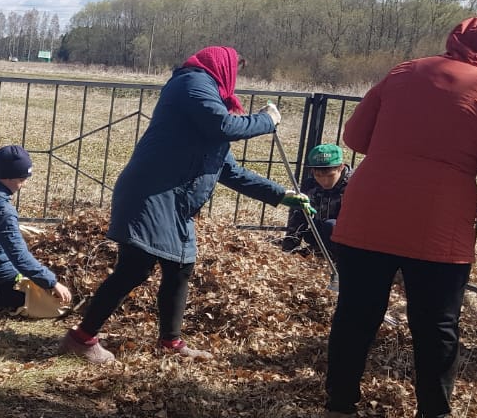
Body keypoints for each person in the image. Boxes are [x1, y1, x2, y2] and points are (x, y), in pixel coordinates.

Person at [321, 17, 477, 418]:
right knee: (436, 324)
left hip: (368, 213)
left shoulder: (404, 71)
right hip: (438, 226)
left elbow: (356, 136)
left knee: (355, 314)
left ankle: (338, 408)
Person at [57, 46, 311, 364]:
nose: (235, 78)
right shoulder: (192, 84)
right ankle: (82, 338)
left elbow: (229, 171)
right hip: (150, 194)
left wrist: (279, 194)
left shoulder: (206, 105)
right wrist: (266, 120)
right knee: (134, 268)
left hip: (175, 203)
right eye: (236, 71)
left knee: (180, 268)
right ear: (222, 67)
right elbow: (224, 126)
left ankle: (171, 343)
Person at [0, 145, 73, 314]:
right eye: (22, 179)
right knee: (43, 301)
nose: (23, 184)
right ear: (8, 178)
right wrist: (52, 283)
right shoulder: (3, 212)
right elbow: (20, 259)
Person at [282, 143, 352, 260]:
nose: (325, 181)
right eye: (318, 175)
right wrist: (288, 249)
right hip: (320, 232)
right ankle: (319, 251)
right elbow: (299, 215)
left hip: (348, 239)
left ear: (341, 167)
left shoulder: (354, 185)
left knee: (331, 225)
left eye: (330, 176)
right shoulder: (310, 185)